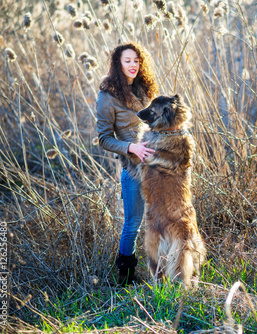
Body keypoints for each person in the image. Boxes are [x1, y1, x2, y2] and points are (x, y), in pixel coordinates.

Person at [96, 42, 159, 285]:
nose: (133, 65)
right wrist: (130, 147)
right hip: (133, 169)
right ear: (118, 64)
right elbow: (104, 138)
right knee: (132, 224)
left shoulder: (144, 88)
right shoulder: (107, 96)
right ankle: (126, 278)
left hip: (155, 165)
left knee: (157, 220)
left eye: (136, 60)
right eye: (127, 61)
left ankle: (162, 271)